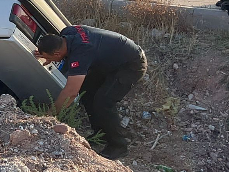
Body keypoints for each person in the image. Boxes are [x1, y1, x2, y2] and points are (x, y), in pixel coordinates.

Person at [34, 25, 147, 160]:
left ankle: (118, 145)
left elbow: (70, 92)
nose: (51, 61)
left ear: (57, 53)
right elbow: (66, 54)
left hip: (132, 64)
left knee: (104, 101)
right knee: (87, 91)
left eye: (51, 58)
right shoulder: (67, 33)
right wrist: (47, 54)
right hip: (111, 61)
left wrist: (50, 116)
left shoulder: (81, 51)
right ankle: (101, 134)